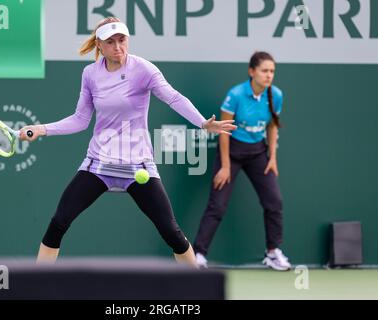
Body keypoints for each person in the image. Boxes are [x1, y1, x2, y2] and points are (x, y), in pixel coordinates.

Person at [19, 17, 236, 268]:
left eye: (122, 40)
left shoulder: (144, 69)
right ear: (99, 45)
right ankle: (36, 285)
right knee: (59, 222)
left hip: (138, 166)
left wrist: (202, 122)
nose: (118, 47)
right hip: (98, 164)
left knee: (171, 232)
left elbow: (173, 98)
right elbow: (80, 119)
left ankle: (197, 287)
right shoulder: (90, 74)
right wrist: (42, 129)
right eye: (110, 42)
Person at [193, 52, 291, 271]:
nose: (269, 75)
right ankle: (198, 254)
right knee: (217, 206)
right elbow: (224, 132)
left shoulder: (276, 95)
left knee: (274, 202)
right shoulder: (235, 95)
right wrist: (226, 166)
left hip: (258, 153)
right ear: (252, 71)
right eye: (264, 70)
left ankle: (273, 252)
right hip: (232, 152)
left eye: (272, 71)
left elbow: (273, 126)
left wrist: (272, 157)